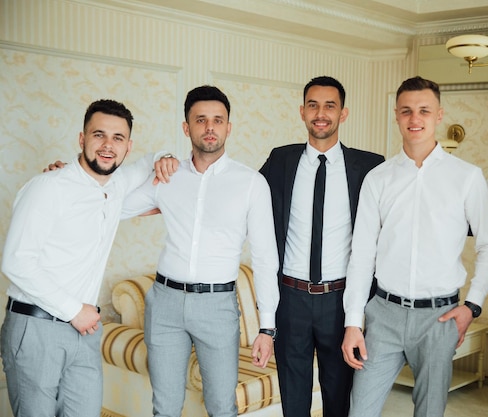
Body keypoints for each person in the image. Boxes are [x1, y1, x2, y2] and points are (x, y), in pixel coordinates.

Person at [341, 76, 488, 417]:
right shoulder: (378, 178)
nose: (415, 119)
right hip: (383, 314)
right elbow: (362, 254)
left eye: (424, 110)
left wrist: (471, 306)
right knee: (360, 411)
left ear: (438, 115)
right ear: (396, 115)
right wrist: (353, 321)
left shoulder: (467, 177)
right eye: (407, 111)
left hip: (438, 318)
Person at [0, 99, 169, 417]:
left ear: (127, 146)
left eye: (118, 138)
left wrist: (165, 158)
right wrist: (74, 311)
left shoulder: (115, 187)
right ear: (82, 139)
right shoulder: (48, 187)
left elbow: (150, 160)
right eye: (98, 135)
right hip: (37, 328)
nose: (108, 145)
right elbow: (16, 261)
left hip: (85, 332)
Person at [124, 85, 280, 417]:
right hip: (164, 303)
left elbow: (266, 257)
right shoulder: (167, 176)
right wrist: (152, 159)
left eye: (217, 120)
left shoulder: (251, 183)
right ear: (186, 127)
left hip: (217, 307)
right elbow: (115, 206)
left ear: (228, 127)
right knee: (164, 407)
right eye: (201, 120)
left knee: (222, 407)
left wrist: (267, 327)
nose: (210, 127)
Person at [259, 76, 384, 417]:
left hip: (342, 302)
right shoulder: (280, 161)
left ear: (343, 114)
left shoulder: (371, 167)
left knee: (340, 398)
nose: (321, 113)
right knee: (294, 399)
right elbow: (242, 198)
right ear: (302, 112)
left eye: (330, 105)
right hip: (291, 299)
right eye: (313, 105)